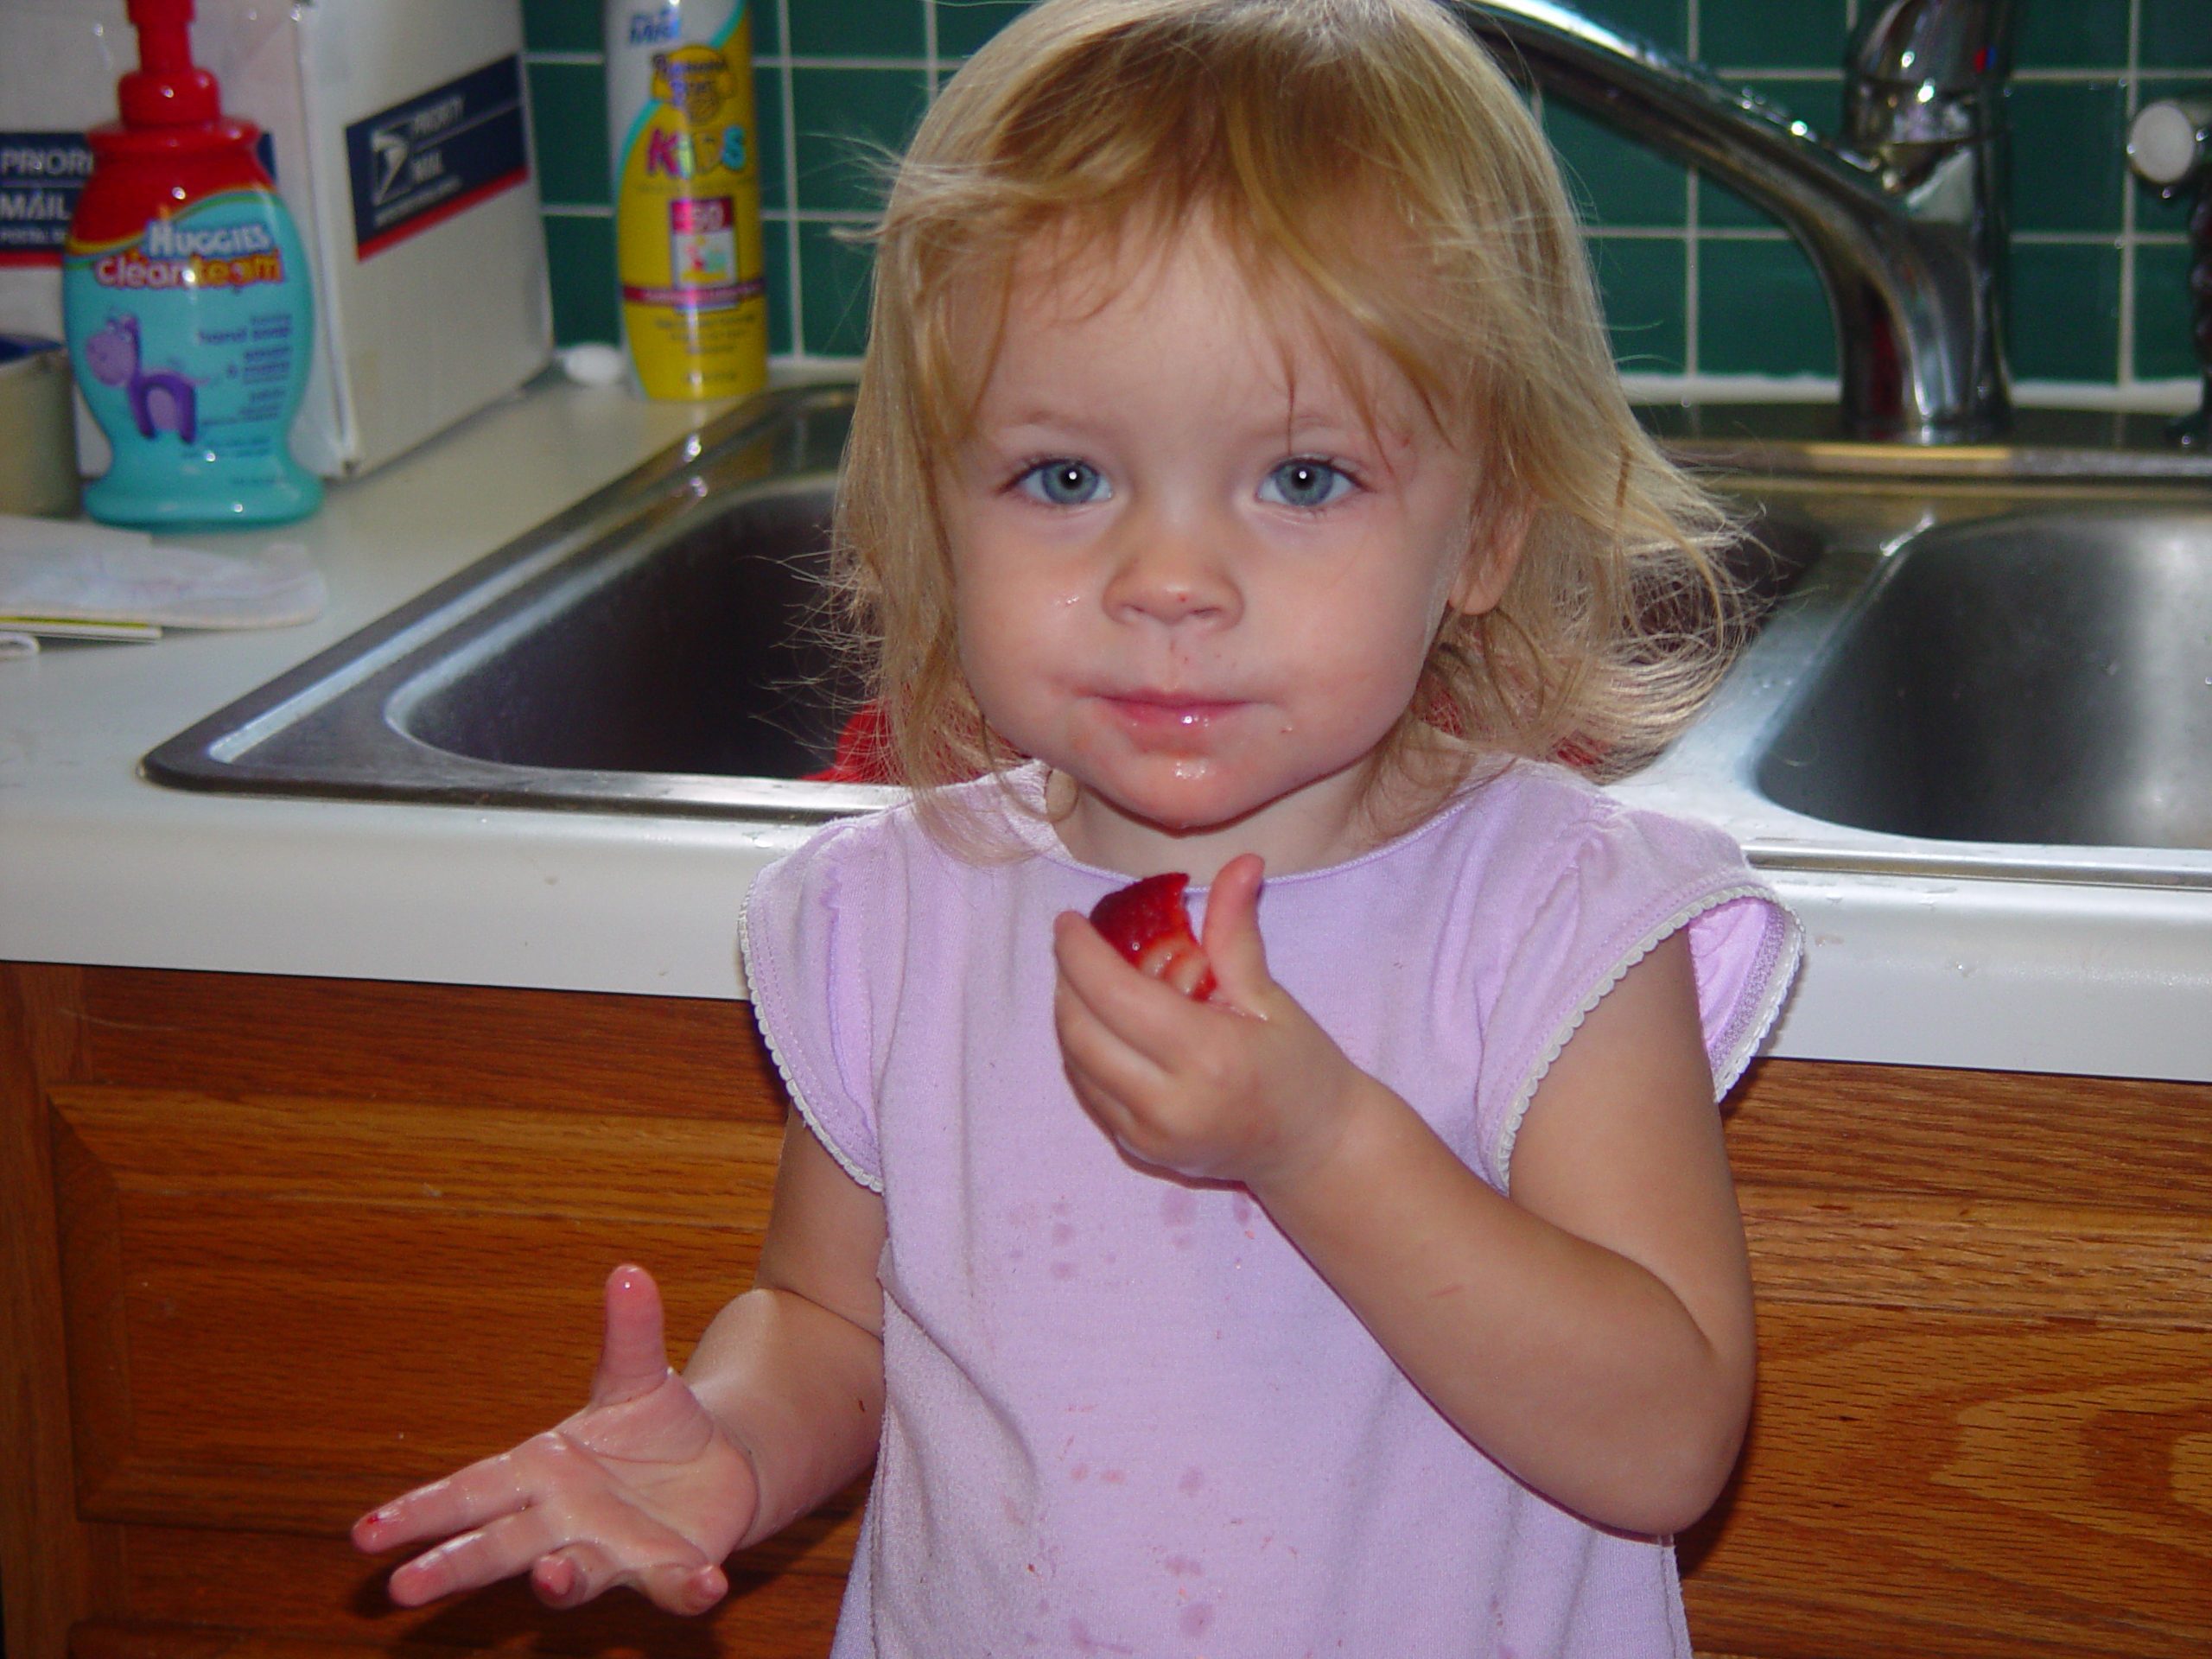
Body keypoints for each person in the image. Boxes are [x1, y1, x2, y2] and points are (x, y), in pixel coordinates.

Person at [352, 0, 1802, 1651]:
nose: (1168, 582)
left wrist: (1321, 1143)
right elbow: (835, 1320)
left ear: (1484, 533)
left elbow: (1668, 1440)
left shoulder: (1551, 922)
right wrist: (732, 1445)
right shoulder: (899, 917)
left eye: (1304, 479)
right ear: (933, 507)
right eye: (1063, 479)